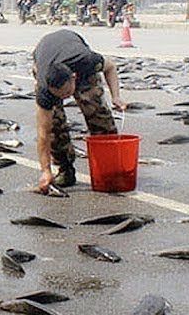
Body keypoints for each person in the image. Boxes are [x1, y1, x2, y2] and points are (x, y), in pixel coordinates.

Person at [32, 29, 126, 192]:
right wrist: (45, 170)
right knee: (54, 124)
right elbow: (43, 133)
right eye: (60, 96)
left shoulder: (86, 61)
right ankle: (65, 169)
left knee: (96, 112)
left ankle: (109, 169)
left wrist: (116, 96)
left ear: (74, 78)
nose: (66, 98)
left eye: (68, 93)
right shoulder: (45, 89)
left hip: (74, 54)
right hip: (43, 55)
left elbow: (110, 67)